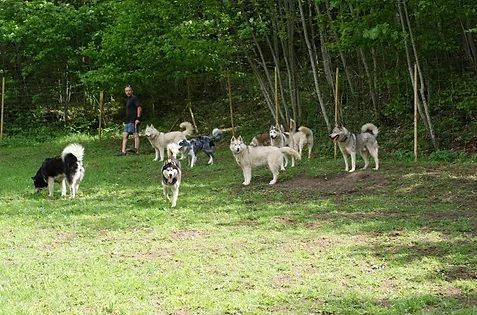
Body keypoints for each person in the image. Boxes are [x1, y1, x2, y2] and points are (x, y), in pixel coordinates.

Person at [119, 85, 142, 155]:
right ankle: (123, 151)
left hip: (134, 119)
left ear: (132, 91)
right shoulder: (128, 99)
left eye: (129, 90)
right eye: (126, 91)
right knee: (125, 135)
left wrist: (138, 118)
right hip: (127, 120)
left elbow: (139, 107)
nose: (128, 92)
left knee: (135, 135)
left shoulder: (135, 98)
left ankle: (136, 151)